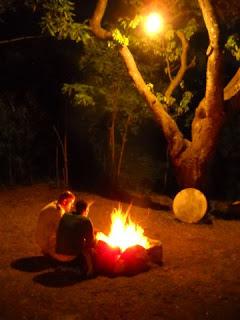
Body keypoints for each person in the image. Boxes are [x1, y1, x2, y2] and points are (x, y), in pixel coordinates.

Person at [55, 199, 95, 276]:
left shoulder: (65, 216)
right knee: (91, 250)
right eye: (88, 210)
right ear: (85, 210)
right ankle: (90, 270)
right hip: (72, 256)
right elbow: (90, 242)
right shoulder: (86, 220)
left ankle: (64, 266)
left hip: (58, 255)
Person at [35, 190, 76, 262]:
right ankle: (49, 251)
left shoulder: (55, 203)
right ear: (64, 202)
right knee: (70, 255)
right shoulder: (58, 212)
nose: (72, 206)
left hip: (41, 237)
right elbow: (62, 231)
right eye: (71, 203)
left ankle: (47, 249)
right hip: (45, 241)